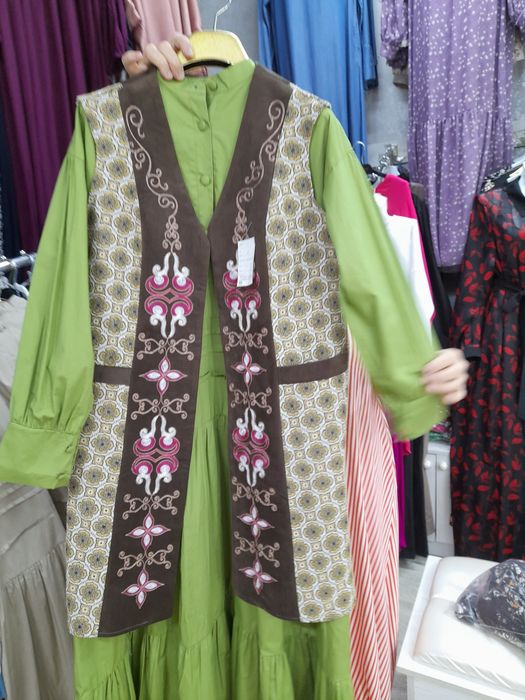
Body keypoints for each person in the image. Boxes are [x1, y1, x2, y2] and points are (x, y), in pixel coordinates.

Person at [122, 35, 469, 405]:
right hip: (166, 403)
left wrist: (415, 373)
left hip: (291, 408)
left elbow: (367, 268)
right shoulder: (113, 129)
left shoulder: (309, 127)